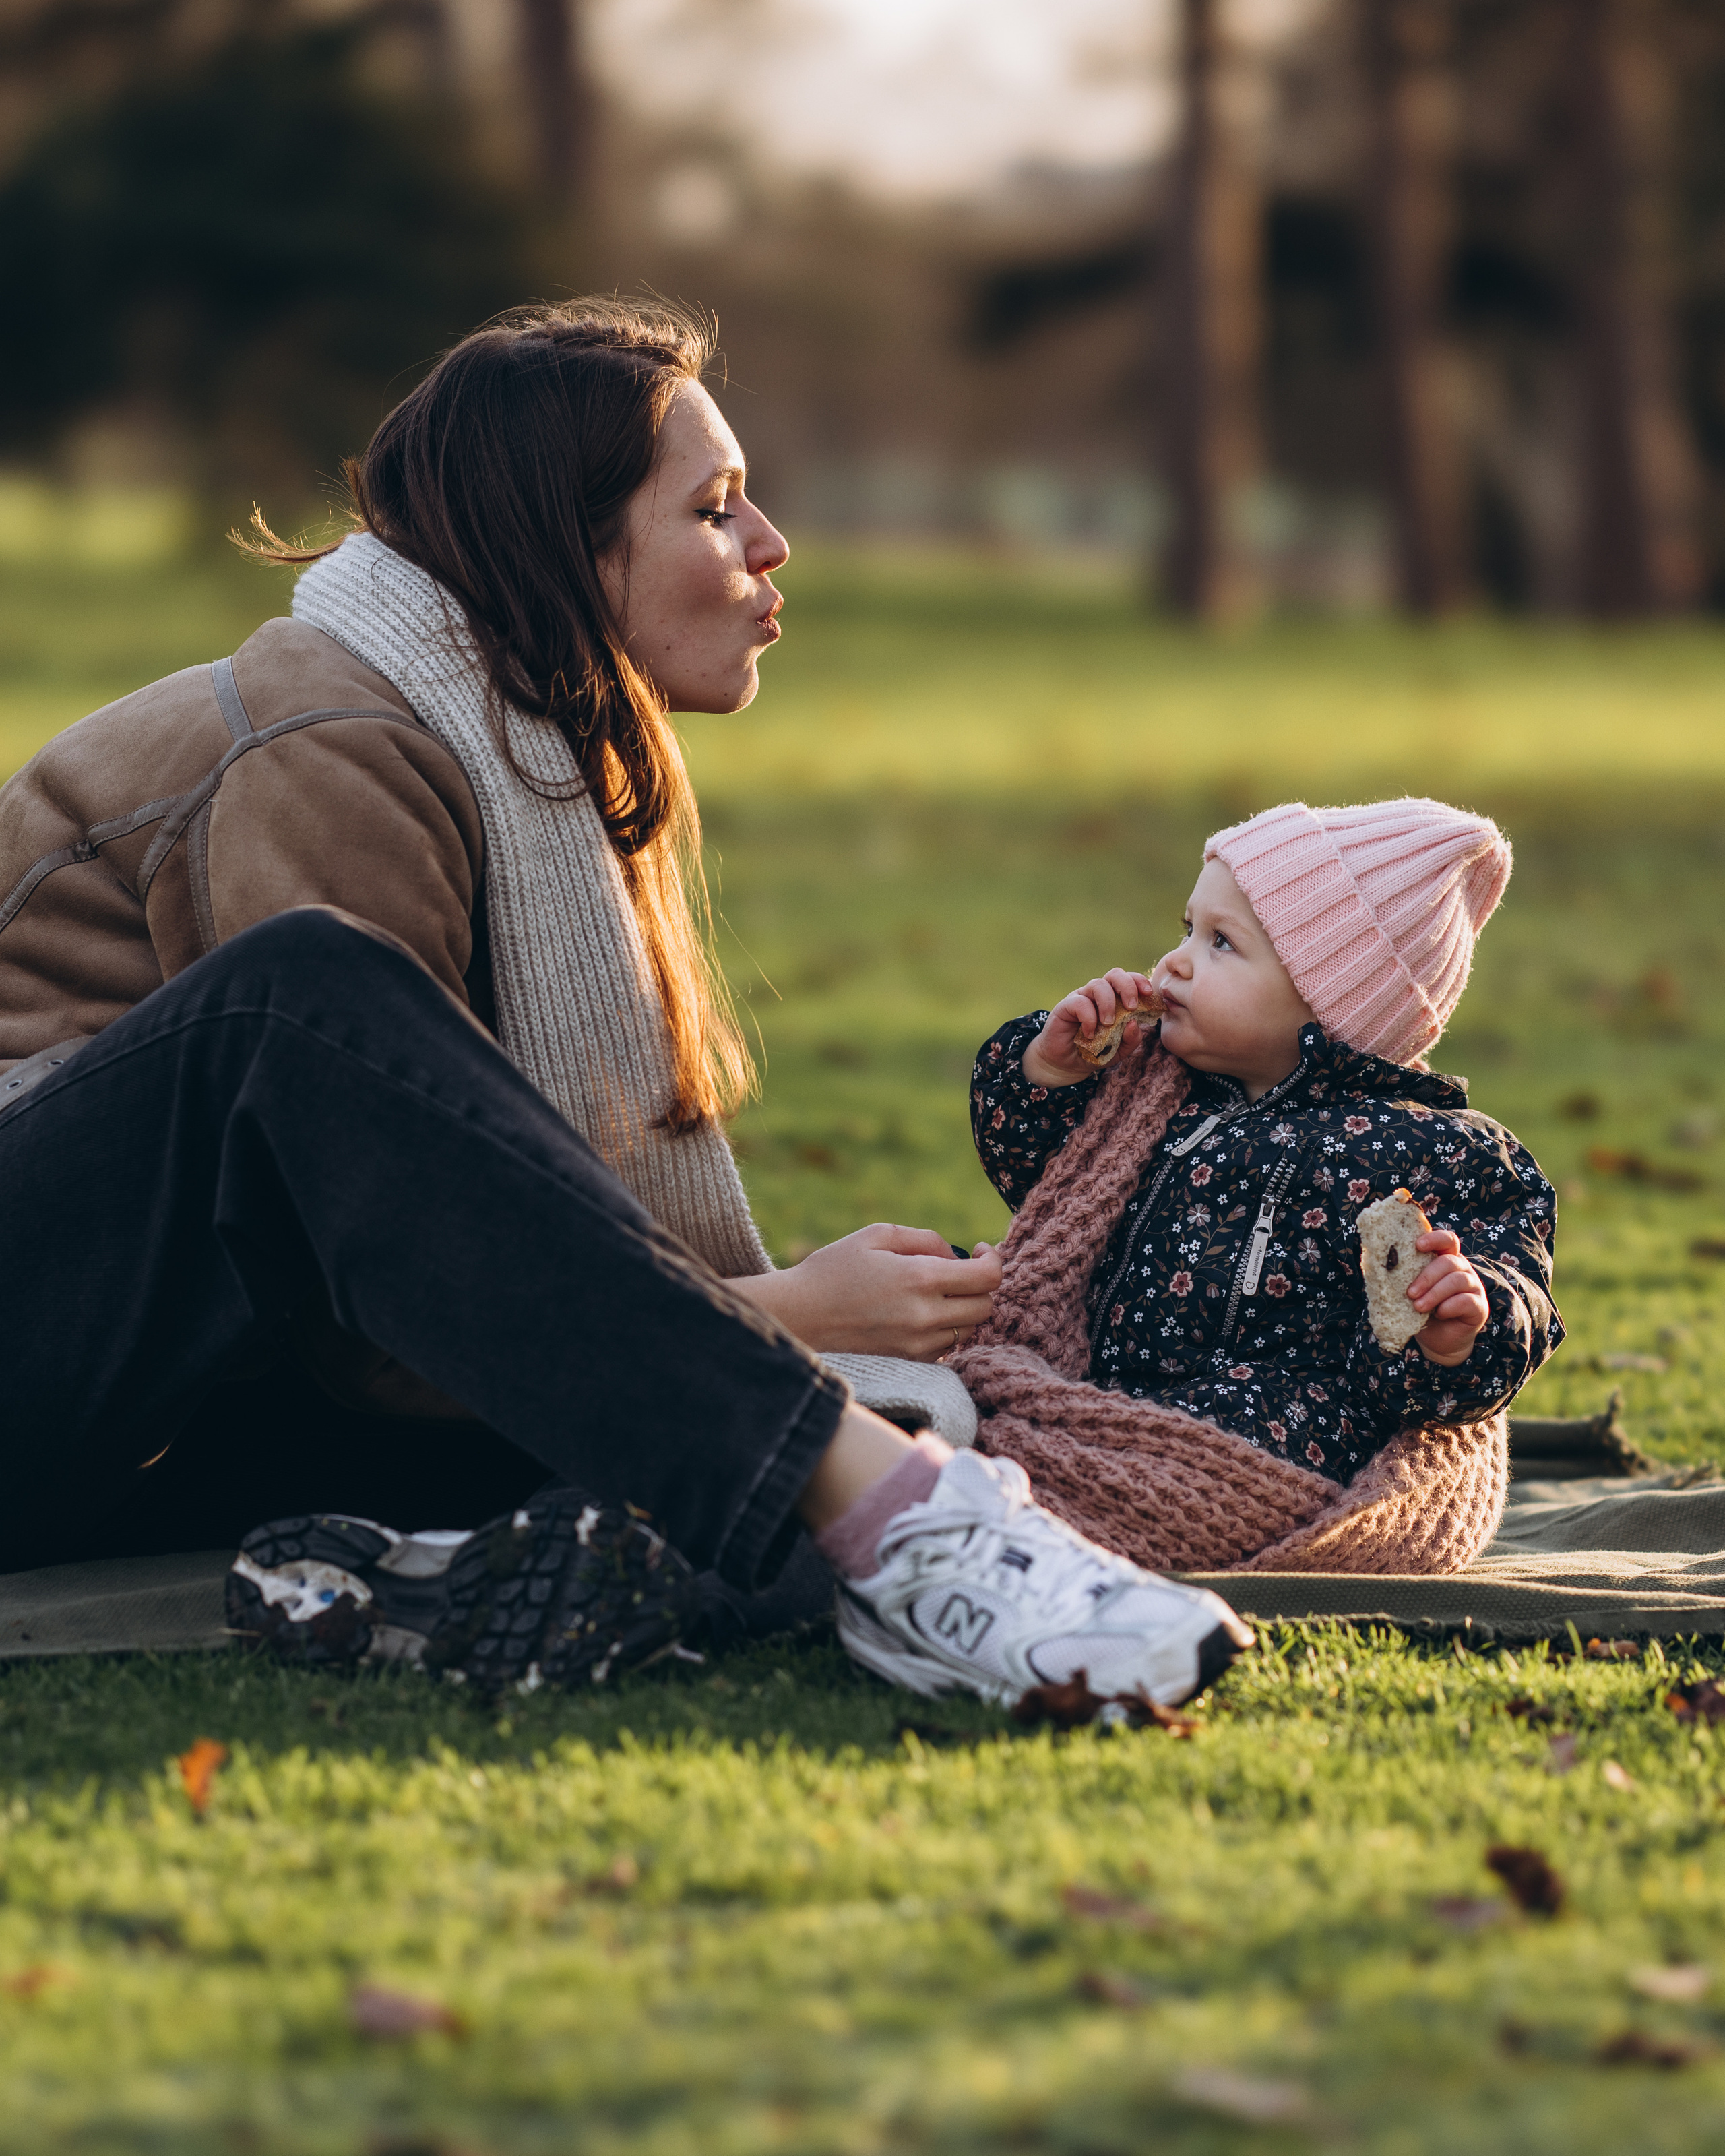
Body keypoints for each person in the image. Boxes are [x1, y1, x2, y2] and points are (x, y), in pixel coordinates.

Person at [0, 298, 1249, 1708]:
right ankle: (907, 1523)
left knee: (716, 1452)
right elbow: (385, 1288)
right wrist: (770, 1311)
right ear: (559, 547)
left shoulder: (495, 734)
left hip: (126, 1406)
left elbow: (418, 1282)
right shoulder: (334, 744)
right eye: (714, 510)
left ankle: (458, 1574)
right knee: (305, 991)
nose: (770, 546)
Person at [961, 798, 1563, 1571]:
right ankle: (1039, 1467)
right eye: (1186, 928)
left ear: (1330, 1001)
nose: (1174, 961)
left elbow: (1511, 1298)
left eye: (1220, 943)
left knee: (1242, 1420)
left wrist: (1457, 1328)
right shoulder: (1157, 1089)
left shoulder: (1435, 1154)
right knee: (951, 1295)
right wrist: (1047, 1076)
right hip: (1102, 1387)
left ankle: (1053, 1502)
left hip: (1274, 1435)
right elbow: (1052, 1198)